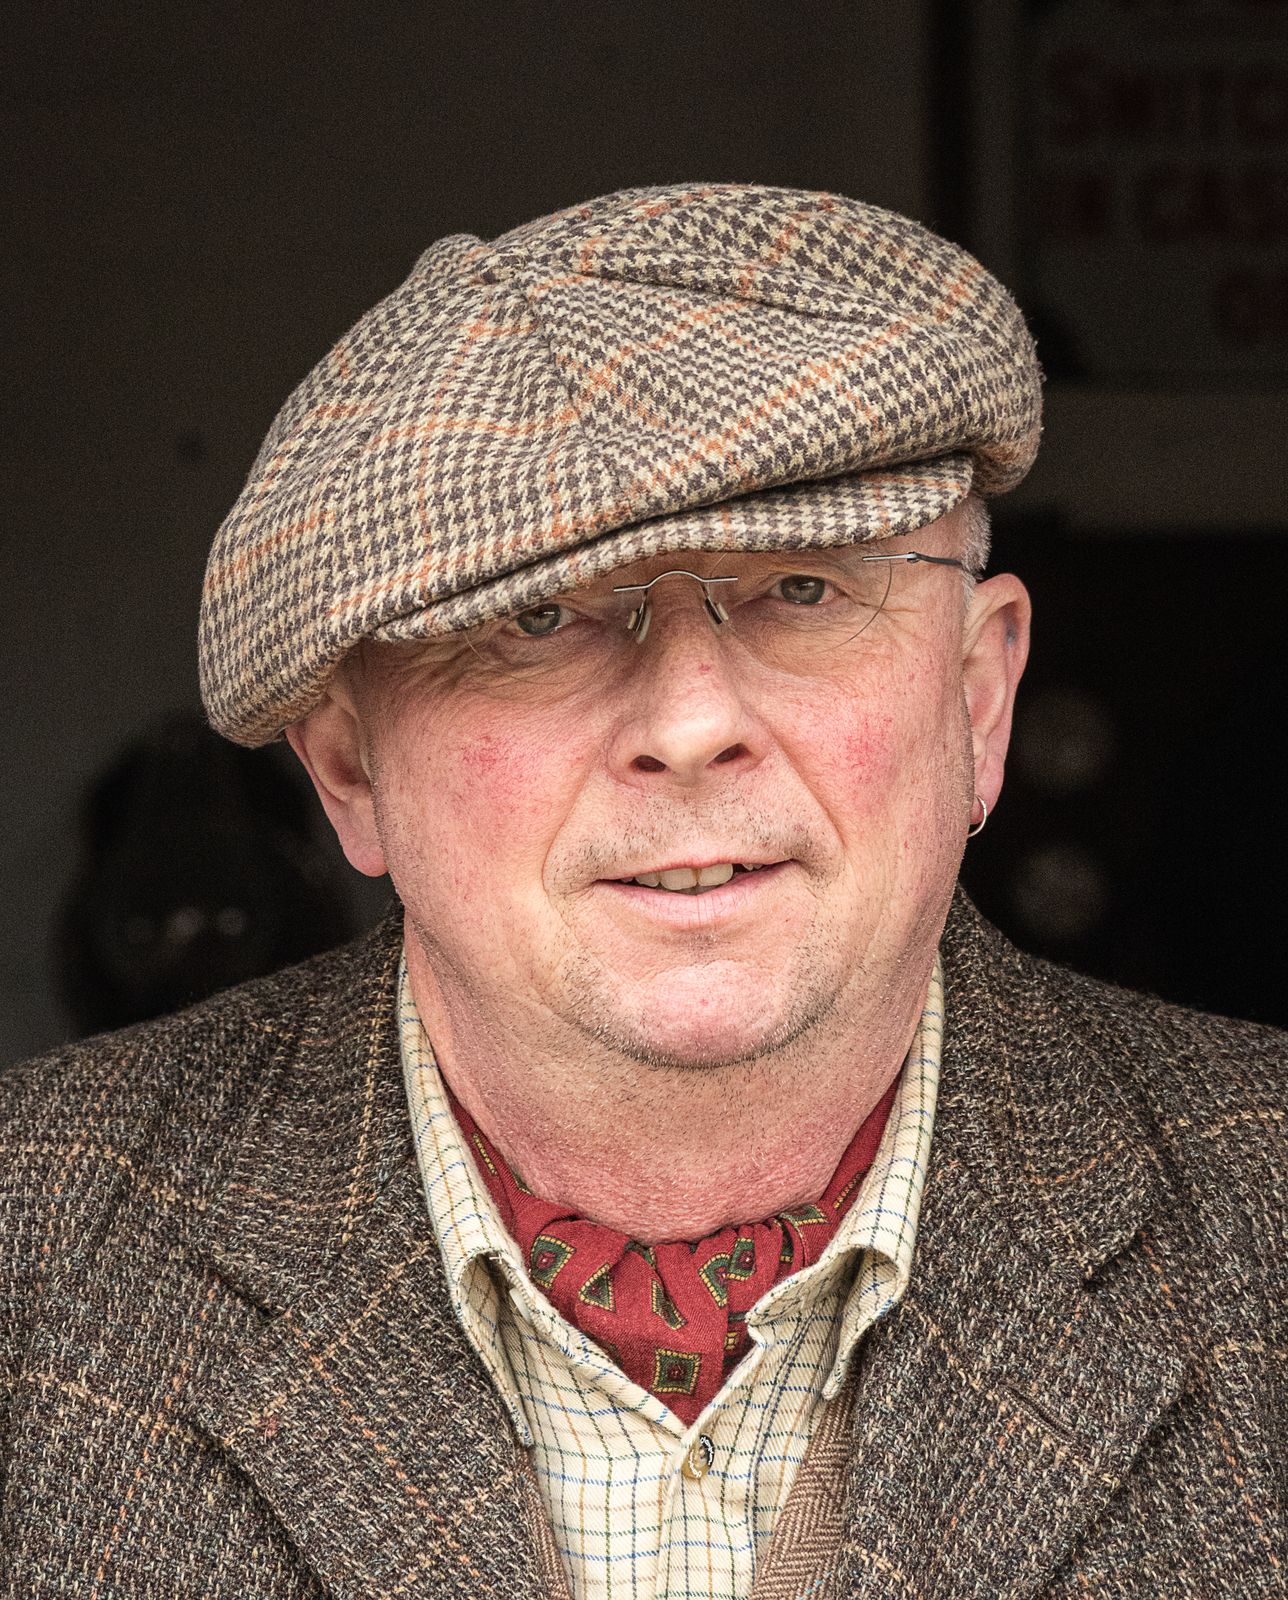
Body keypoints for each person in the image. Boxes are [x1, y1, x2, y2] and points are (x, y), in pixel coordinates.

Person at [1, 185, 1282, 1599]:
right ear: (348, 770)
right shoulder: (29, 1259)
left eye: (801, 588)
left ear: (979, 700)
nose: (687, 719)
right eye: (537, 620)